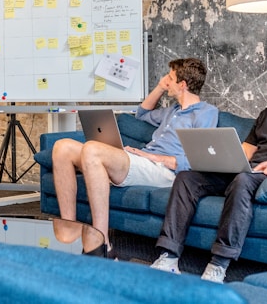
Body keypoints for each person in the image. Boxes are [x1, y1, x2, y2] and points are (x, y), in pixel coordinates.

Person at [151, 55, 267, 283]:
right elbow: (246, 150)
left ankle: (219, 264)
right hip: (249, 171)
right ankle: (168, 256)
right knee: (188, 178)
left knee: (243, 180)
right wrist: (225, 159)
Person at [52, 57, 218, 258]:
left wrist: (154, 157)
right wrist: (158, 88)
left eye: (170, 78)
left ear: (182, 85)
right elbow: (141, 113)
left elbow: (198, 159)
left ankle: (102, 243)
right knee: (62, 147)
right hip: (144, 162)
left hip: (164, 171)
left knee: (93, 150)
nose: (166, 80)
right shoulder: (172, 111)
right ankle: (69, 226)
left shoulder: (206, 113)